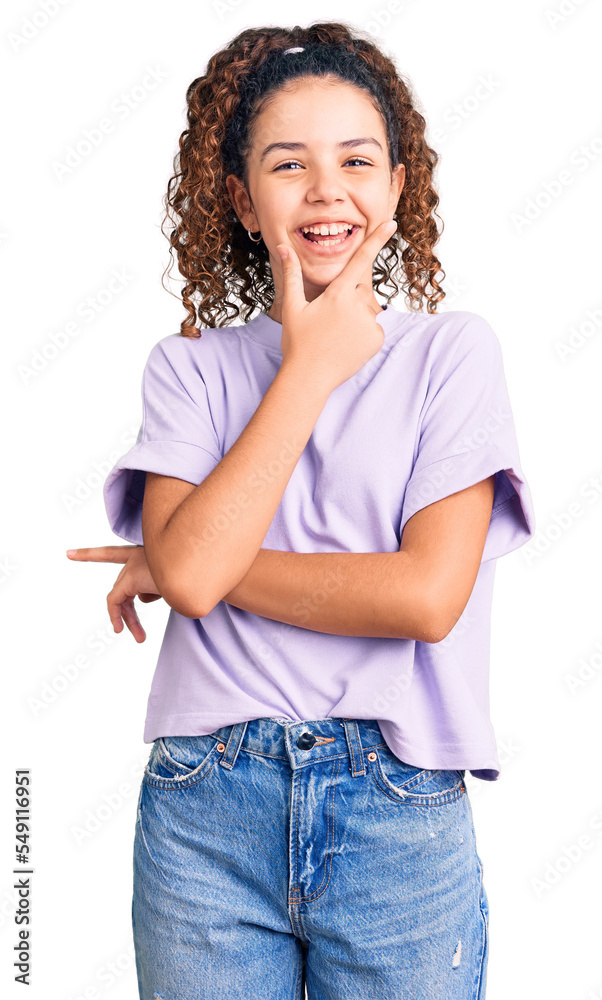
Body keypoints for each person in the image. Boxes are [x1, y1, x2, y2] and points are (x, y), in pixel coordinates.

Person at [66, 20, 535, 999]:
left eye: (355, 159)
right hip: (207, 808)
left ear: (398, 185)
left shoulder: (452, 356)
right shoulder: (189, 370)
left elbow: (420, 598)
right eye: (288, 165)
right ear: (241, 199)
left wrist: (190, 555)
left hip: (395, 809)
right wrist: (311, 365)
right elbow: (192, 576)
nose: (326, 189)